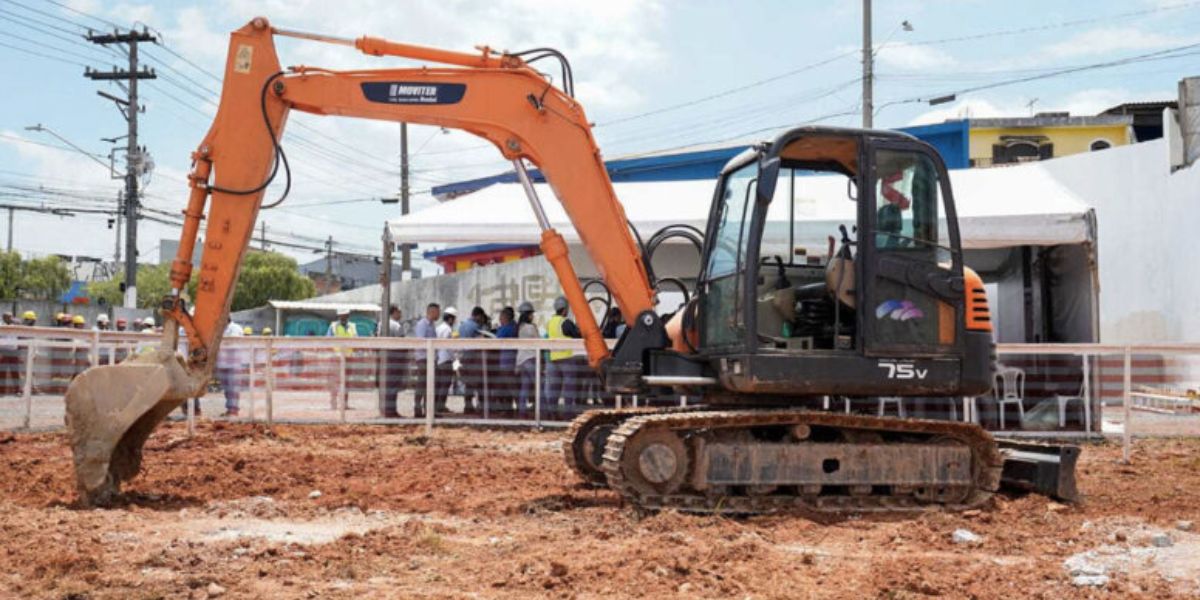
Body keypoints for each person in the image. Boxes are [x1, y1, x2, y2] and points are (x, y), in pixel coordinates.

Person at [544, 296, 582, 418]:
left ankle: (552, 413)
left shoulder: (550, 322)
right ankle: (568, 413)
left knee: (553, 388)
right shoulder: (565, 322)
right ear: (565, 309)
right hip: (567, 359)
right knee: (569, 388)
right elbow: (577, 335)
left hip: (553, 359)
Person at [456, 306, 488, 414]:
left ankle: (468, 406)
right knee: (479, 382)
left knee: (468, 383)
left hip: (463, 356)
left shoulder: (462, 325)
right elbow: (482, 340)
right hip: (474, 357)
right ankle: (481, 406)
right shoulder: (476, 327)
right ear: (478, 316)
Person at [412, 303, 440, 418]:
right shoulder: (422, 324)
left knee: (430, 385)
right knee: (422, 384)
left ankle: (429, 411)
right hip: (424, 359)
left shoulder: (432, 325)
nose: (439, 314)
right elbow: (421, 342)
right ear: (432, 311)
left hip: (431, 359)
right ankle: (418, 410)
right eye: (438, 312)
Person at [325, 308, 357, 409]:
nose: (343, 317)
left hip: (348, 358)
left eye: (345, 315)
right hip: (336, 358)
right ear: (338, 316)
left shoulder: (352, 326)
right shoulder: (333, 326)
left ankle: (345, 404)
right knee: (335, 381)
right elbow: (327, 340)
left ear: (348, 316)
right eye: (341, 315)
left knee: (346, 382)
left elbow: (357, 340)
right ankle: (333, 402)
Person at [515, 302, 539, 418]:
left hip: (521, 360)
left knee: (524, 387)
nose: (533, 316)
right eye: (532, 314)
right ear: (528, 315)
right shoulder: (531, 327)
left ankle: (522, 411)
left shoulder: (520, 327)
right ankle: (543, 413)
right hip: (531, 359)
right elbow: (538, 340)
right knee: (539, 386)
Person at [380, 304, 405, 418]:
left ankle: (385, 409)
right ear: (394, 312)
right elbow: (402, 343)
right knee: (393, 386)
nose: (400, 314)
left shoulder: (381, 324)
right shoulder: (397, 326)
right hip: (396, 359)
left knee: (386, 385)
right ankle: (391, 410)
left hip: (384, 359)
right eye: (399, 311)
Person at [492, 306, 517, 415]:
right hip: (510, 361)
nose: (500, 319)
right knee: (508, 387)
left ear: (506, 317)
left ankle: (517, 410)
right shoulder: (514, 327)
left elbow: (497, 340)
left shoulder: (506, 328)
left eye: (501, 317)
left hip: (507, 362)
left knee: (509, 387)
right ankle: (509, 409)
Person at [216, 321, 244, 417]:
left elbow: (230, 342)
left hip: (234, 362)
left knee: (234, 388)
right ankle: (230, 409)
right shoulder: (218, 328)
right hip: (222, 362)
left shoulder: (235, 328)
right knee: (227, 388)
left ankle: (233, 410)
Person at [435, 307, 457, 414]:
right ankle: (440, 406)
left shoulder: (438, 328)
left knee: (440, 384)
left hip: (439, 359)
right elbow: (450, 348)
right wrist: (455, 361)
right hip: (447, 360)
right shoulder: (448, 329)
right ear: (451, 319)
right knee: (445, 384)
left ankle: (438, 405)